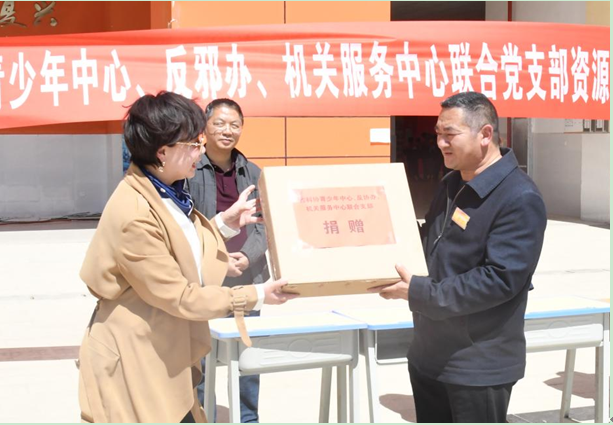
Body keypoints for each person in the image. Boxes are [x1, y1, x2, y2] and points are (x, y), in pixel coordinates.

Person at [77, 91, 295, 423]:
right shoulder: (135, 213)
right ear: (162, 152)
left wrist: (225, 223)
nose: (201, 151)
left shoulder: (165, 189)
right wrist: (256, 295)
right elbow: (181, 296)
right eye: (193, 144)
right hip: (138, 355)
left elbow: (182, 244)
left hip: (165, 345)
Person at [371, 91, 547, 423]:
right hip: (429, 354)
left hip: (477, 365)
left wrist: (418, 292)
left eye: (450, 134)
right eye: (438, 133)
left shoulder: (519, 197)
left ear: (485, 134)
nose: (440, 143)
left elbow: (499, 280)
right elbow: (430, 243)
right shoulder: (452, 184)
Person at [188, 98, 266, 423]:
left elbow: (265, 225)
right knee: (201, 357)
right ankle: (202, 416)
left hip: (248, 278)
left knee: (249, 357)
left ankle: (248, 418)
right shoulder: (190, 170)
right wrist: (219, 261)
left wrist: (246, 257)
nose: (227, 131)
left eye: (234, 125)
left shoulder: (254, 172)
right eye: (219, 123)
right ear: (205, 127)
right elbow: (187, 225)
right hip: (205, 279)